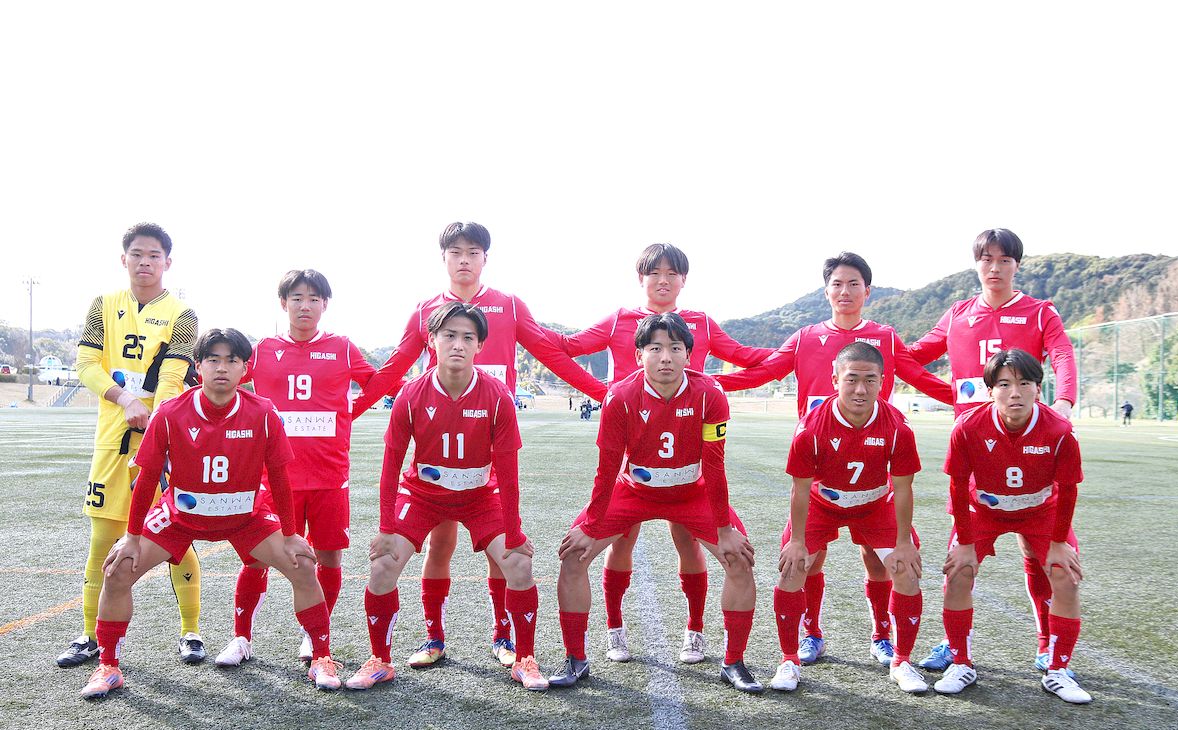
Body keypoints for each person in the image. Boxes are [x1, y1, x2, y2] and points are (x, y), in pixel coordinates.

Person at [352, 223, 606, 671]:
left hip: (485, 437)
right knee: (439, 546)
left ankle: (503, 637)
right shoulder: (426, 310)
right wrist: (353, 411)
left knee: (499, 552)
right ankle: (433, 637)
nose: (464, 259)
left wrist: (606, 395)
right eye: (455, 251)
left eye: (473, 251)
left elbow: (550, 354)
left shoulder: (509, 305)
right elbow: (396, 366)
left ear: (486, 258)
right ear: (444, 258)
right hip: (437, 444)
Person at [717, 252, 952, 666]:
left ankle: (882, 636)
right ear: (826, 291)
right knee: (808, 558)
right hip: (821, 472)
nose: (845, 292)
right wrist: (702, 380)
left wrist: (979, 403)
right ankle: (811, 634)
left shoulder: (885, 337)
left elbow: (920, 377)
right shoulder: (806, 337)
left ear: (867, 291)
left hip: (871, 472)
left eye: (854, 284)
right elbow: (763, 373)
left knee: (878, 560)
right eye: (837, 284)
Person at [80, 329, 341, 698]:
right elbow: (148, 477)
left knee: (302, 565)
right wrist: (133, 537)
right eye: (213, 359)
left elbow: (280, 476)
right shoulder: (170, 413)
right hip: (181, 514)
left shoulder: (263, 413)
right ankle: (108, 665)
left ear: (245, 369)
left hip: (245, 514)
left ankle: (321, 657)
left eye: (232, 360)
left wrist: (290, 533)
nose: (222, 368)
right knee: (118, 569)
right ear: (197, 366)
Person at [553, 243, 774, 666]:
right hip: (634, 486)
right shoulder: (619, 396)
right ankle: (585, 652)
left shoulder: (710, 394)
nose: (666, 356)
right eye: (655, 348)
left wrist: (725, 527)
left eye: (675, 348)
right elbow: (606, 469)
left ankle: (725, 654)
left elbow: (714, 466)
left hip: (691, 488)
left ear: (690, 354)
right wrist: (593, 523)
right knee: (575, 554)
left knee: (737, 557)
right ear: (638, 355)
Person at [346, 302, 549, 691]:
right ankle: (385, 658)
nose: (458, 344)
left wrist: (514, 531)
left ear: (480, 346)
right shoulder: (411, 394)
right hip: (423, 494)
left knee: (519, 564)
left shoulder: (497, 395)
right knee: (383, 565)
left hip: (479, 495)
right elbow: (390, 467)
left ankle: (523, 657)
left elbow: (508, 473)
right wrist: (386, 528)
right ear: (432, 341)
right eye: (449, 335)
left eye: (468, 337)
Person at [908, 229, 1079, 673]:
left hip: (1026, 439)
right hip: (976, 444)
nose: (995, 267)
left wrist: (1064, 400)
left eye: (1005, 260)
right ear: (977, 264)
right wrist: (947, 395)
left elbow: (1062, 354)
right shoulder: (957, 314)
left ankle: (1047, 642)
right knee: (960, 555)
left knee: (1039, 553)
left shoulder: (1039, 312)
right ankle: (953, 644)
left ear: (1017, 265)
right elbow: (913, 357)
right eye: (987, 259)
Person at [59, 223, 205, 669]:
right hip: (111, 440)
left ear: (168, 262)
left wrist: (158, 425)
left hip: (162, 443)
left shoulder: (183, 314)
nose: (145, 262)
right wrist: (125, 400)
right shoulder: (102, 305)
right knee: (103, 540)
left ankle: (191, 632)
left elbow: (173, 377)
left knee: (175, 537)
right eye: (137, 254)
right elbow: (86, 365)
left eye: (154, 255)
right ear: (123, 259)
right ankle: (90, 635)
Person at [213, 270, 376, 667]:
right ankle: (241, 637)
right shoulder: (263, 349)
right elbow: (226, 383)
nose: (306, 306)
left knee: (329, 559)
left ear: (325, 305)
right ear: (283, 303)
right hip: (274, 477)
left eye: (314, 298)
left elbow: (376, 384)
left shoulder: (342, 348)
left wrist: (348, 413)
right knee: (256, 559)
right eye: (297, 298)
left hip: (329, 477)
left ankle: (313, 634)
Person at [934, 348, 1090, 703]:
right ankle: (960, 663)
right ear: (990, 391)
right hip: (983, 509)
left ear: (1039, 388)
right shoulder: (968, 427)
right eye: (1004, 384)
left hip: (1040, 510)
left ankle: (1058, 670)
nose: (1014, 393)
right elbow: (957, 485)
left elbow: (1068, 489)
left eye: (1024, 383)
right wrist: (965, 542)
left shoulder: (1060, 430)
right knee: (958, 573)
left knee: (1065, 576)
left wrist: (1058, 543)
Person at [772, 342, 927, 694]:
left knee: (904, 568)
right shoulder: (811, 427)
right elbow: (800, 489)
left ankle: (898, 656)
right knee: (794, 567)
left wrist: (904, 542)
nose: (860, 389)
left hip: (876, 505)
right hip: (821, 504)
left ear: (883, 382)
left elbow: (904, 488)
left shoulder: (898, 427)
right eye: (851, 379)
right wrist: (796, 541)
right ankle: (792, 655)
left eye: (870, 380)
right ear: (835, 380)